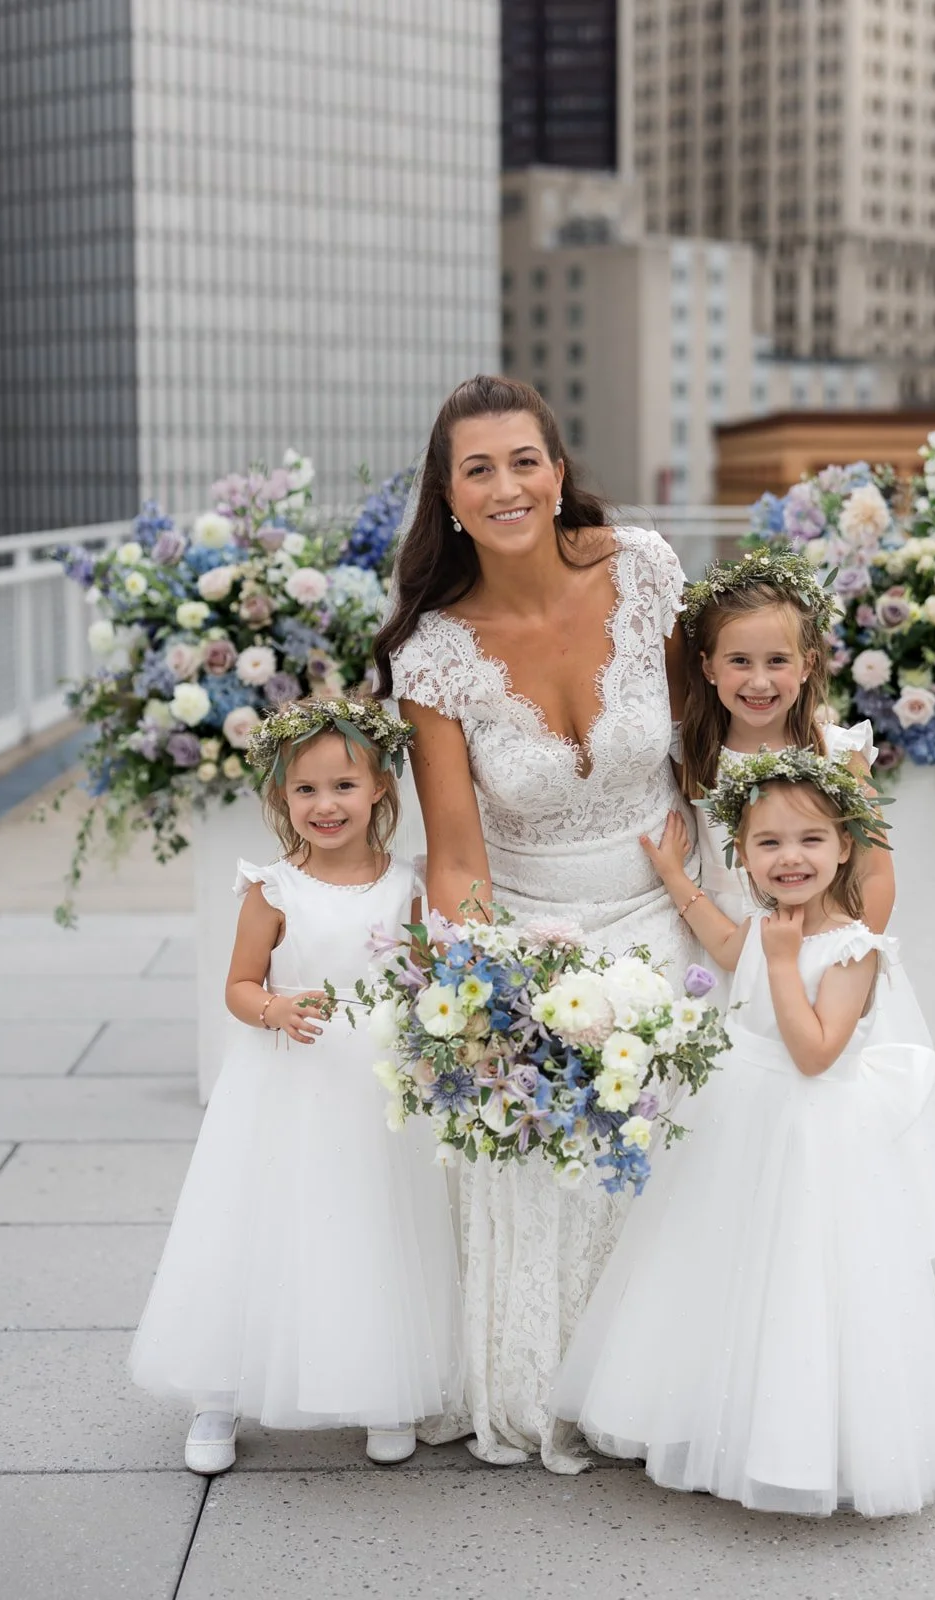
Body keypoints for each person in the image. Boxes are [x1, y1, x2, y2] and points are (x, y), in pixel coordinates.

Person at [374, 373, 700, 1473]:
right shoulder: (432, 657)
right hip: (533, 929)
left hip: (672, 905)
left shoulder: (645, 571)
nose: (507, 484)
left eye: (525, 460)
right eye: (479, 468)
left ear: (559, 474)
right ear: (448, 496)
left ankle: (685, 1368)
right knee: (532, 1127)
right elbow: (457, 856)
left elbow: (704, 740)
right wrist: (488, 992)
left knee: (714, 1095)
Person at [557, 748, 935, 1517]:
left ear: (845, 845)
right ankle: (708, 1418)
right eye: (768, 844)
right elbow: (731, 949)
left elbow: (818, 1052)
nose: (790, 858)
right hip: (741, 1116)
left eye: (810, 840)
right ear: (744, 853)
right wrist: (674, 880)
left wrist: (787, 963)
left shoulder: (855, 945)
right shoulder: (768, 927)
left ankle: (799, 1442)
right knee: (722, 1269)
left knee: (802, 1280)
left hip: (810, 1130)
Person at [129, 697, 462, 1475]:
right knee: (261, 1225)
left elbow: (419, 976)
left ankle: (384, 1388)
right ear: (281, 798)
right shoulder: (272, 888)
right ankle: (219, 1392)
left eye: (342, 786)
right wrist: (274, 1007)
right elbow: (239, 985)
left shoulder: (406, 885)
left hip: (370, 1086)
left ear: (381, 787)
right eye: (305, 790)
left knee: (369, 1227)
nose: (324, 805)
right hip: (286, 1085)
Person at [679, 550, 896, 935]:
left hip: (817, 944)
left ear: (807, 665)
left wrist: (849, 957)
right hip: (720, 944)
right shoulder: (693, 755)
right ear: (709, 667)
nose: (759, 682)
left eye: (777, 660)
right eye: (740, 661)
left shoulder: (837, 753)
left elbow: (874, 874)